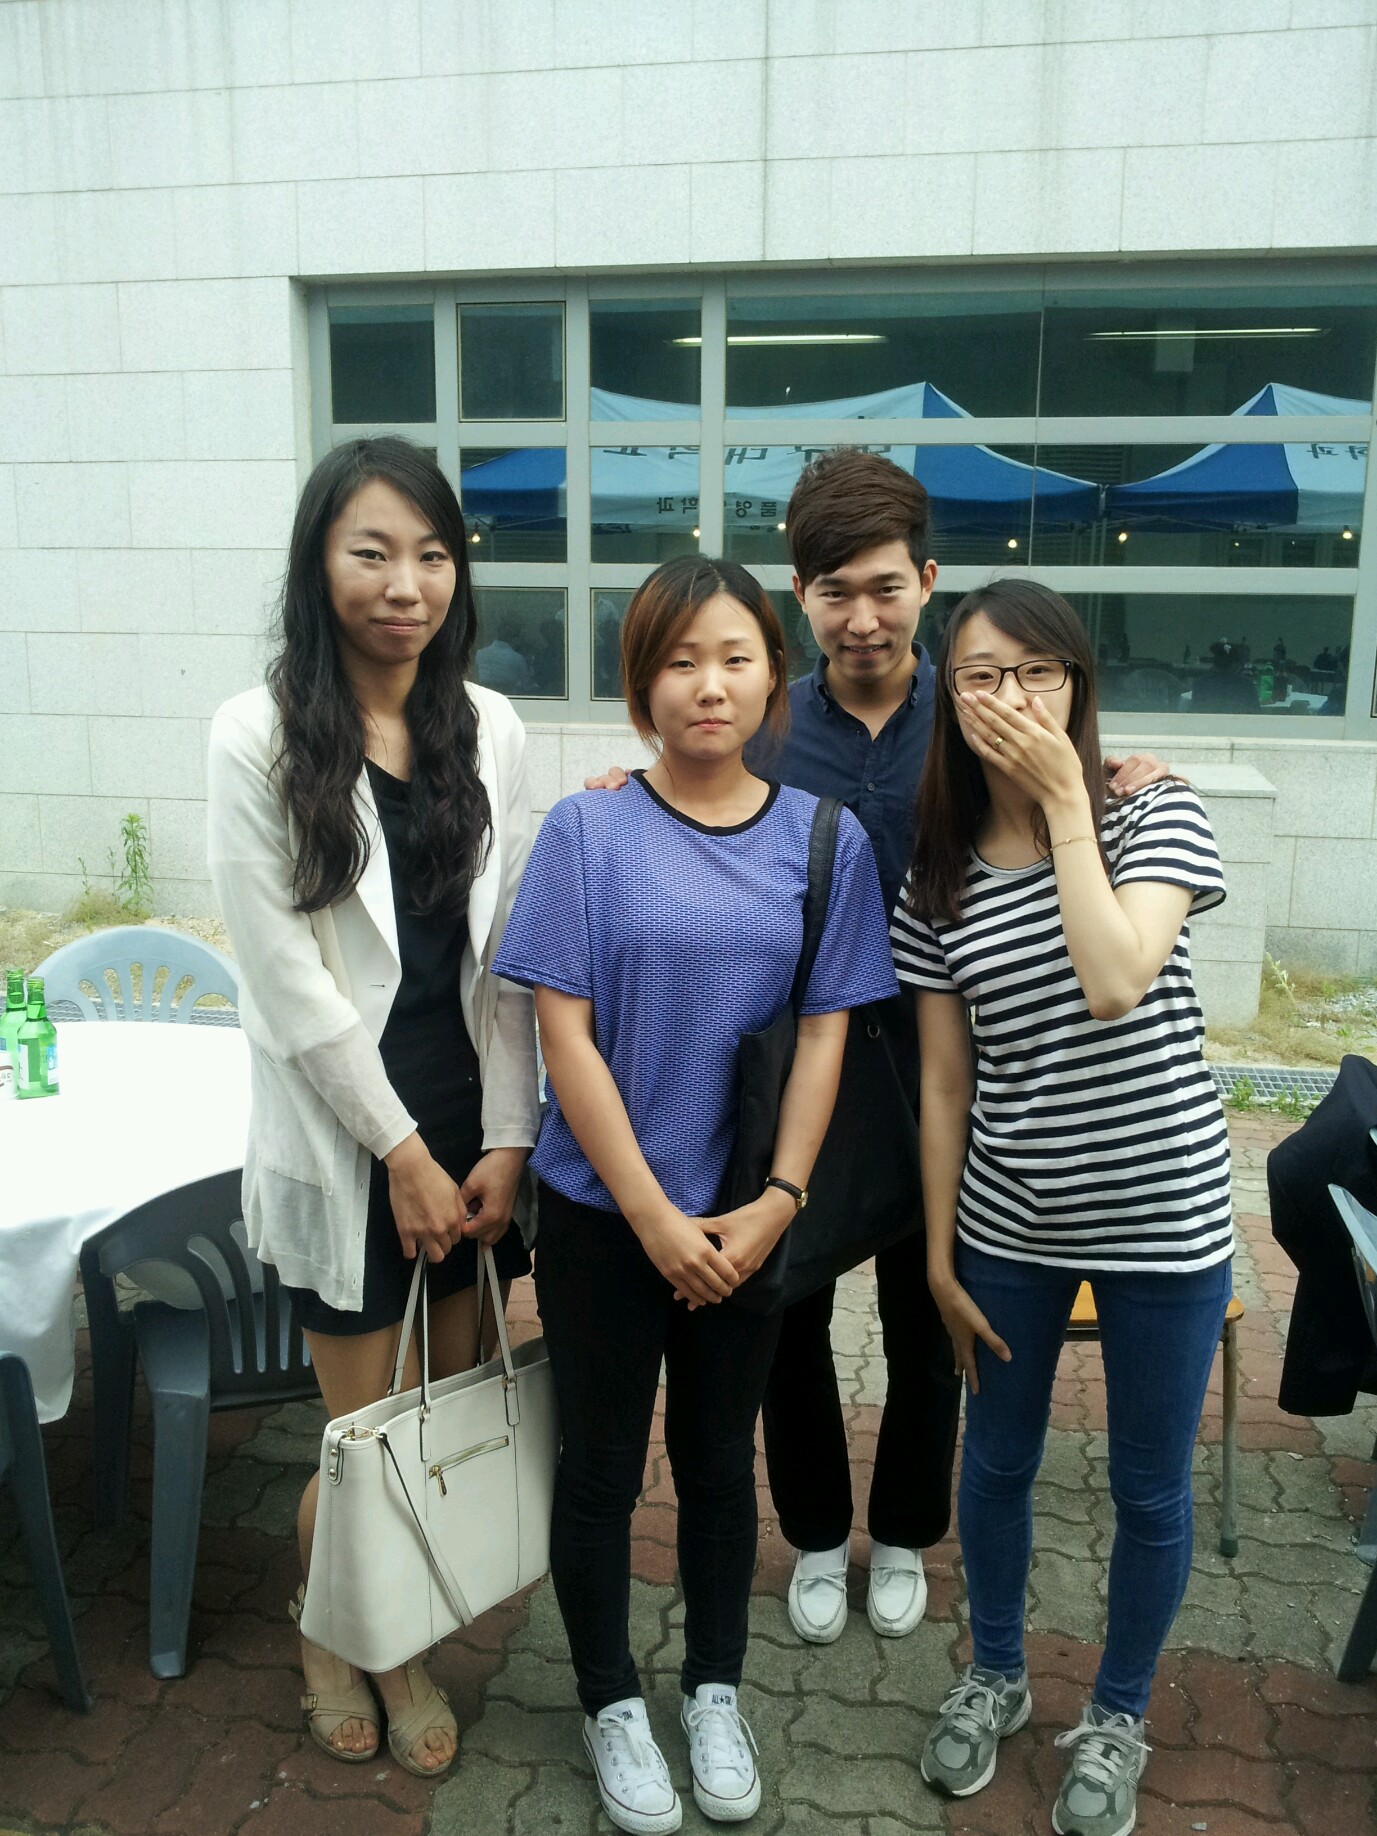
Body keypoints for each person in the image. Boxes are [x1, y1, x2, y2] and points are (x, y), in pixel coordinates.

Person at [587, 449, 1167, 1649]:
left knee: (927, 1317)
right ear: (799, 593)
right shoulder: (765, 719)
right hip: (785, 1072)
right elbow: (681, 798)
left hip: (944, 1074)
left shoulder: (974, 713)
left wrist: (1123, 772)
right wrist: (621, 791)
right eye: (836, 591)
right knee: (786, 1320)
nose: (863, 618)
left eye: (887, 588)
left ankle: (902, 1529)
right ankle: (813, 1532)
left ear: (928, 582)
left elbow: (1062, 780)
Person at [494, 555, 898, 1833]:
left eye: (733, 658)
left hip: (746, 1224)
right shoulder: (587, 833)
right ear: (641, 687)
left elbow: (827, 1034)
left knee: (722, 1466)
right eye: (678, 661)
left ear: (775, 676)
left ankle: (713, 1687)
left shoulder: (825, 839)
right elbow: (565, 1037)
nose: (708, 685)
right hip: (606, 1223)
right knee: (601, 1470)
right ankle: (611, 1700)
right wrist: (652, 1220)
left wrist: (779, 1200)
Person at [206, 436, 541, 1779]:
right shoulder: (257, 735)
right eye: (373, 553)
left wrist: (508, 1136)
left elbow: (506, 956)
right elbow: (287, 985)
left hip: (468, 1125)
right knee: (368, 1439)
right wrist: (400, 1152)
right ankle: (370, 1652)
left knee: (436, 1414)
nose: (406, 584)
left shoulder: (490, 725)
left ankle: (338, 1609)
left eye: (432, 554)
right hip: (351, 1143)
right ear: (320, 565)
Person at [891, 579, 1233, 1836]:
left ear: (1079, 686)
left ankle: (1120, 1710)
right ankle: (995, 1671)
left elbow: (1115, 977)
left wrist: (1071, 810)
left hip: (1165, 1220)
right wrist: (938, 1260)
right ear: (949, 698)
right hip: (1011, 1225)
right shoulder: (936, 874)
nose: (1014, 698)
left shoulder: (1155, 811)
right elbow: (944, 1081)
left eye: (1040, 672)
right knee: (996, 1464)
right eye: (982, 675)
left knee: (1149, 1488)